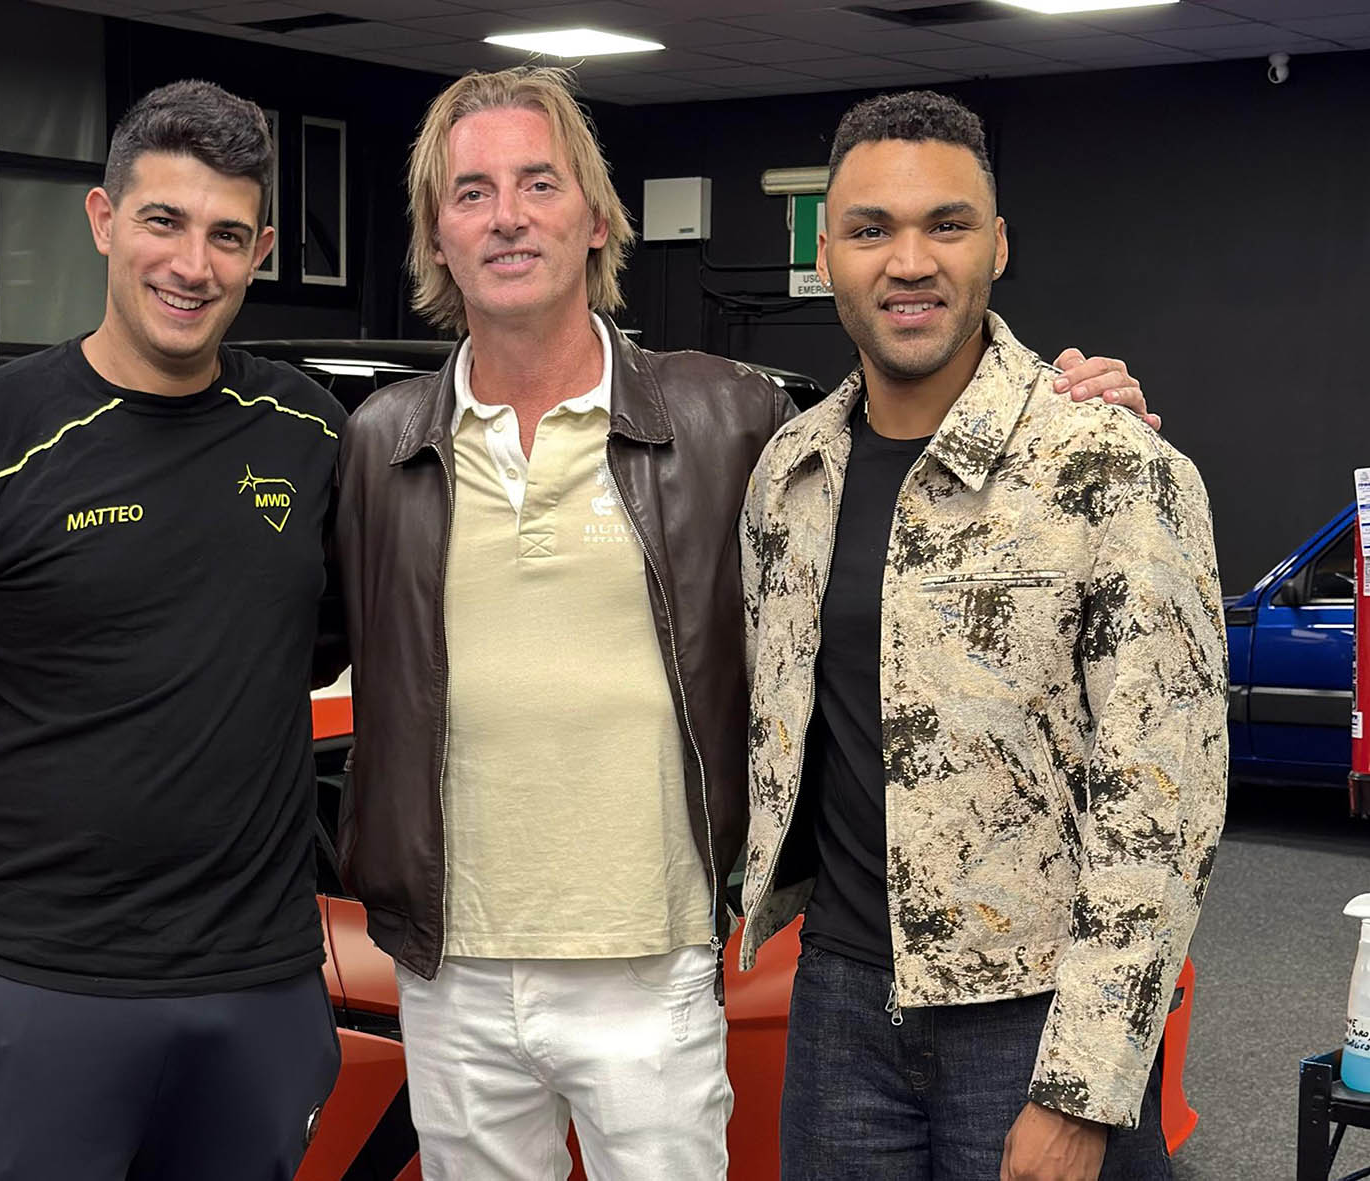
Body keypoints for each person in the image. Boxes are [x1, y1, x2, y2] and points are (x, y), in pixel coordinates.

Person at [335, 66, 1155, 1180]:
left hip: (656, 958)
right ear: (437, 233)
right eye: (471, 192)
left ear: (598, 218)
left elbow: (912, 423)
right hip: (449, 965)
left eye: (539, 182)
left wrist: (1078, 411)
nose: (508, 216)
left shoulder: (733, 420)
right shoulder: (378, 443)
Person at [0, 79, 344, 1181]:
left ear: (260, 252)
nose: (192, 264)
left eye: (226, 235)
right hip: (37, 990)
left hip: (258, 991)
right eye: (164, 221)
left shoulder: (309, 431)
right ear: (104, 220)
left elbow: (364, 652)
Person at [738, 90, 1226, 1181]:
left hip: (1033, 1016)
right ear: (825, 256)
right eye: (871, 228)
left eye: (945, 225)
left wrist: (1083, 1085)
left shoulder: (1109, 465)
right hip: (838, 1003)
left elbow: (1167, 803)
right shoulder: (789, 476)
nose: (908, 262)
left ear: (996, 245)